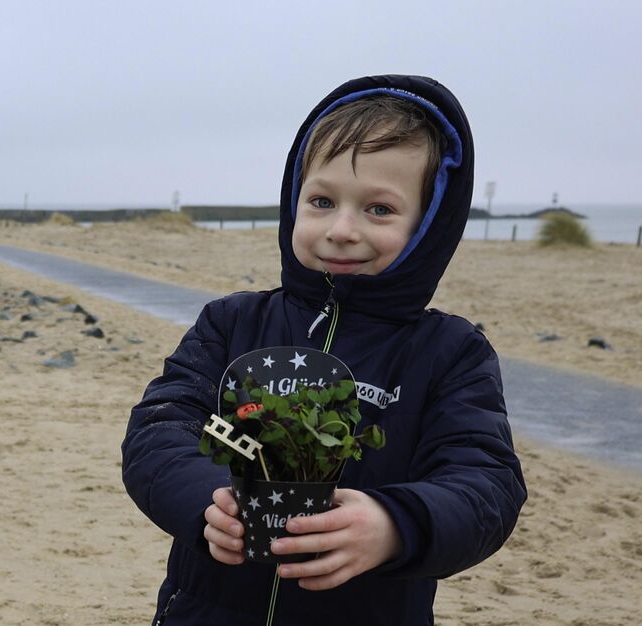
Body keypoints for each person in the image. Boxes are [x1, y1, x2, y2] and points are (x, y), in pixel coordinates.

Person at [121, 75, 527, 626]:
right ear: (294, 202)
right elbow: (159, 429)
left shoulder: (450, 352)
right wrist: (206, 500)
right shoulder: (231, 323)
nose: (341, 229)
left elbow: (487, 484)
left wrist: (395, 524)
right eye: (322, 201)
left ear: (428, 226)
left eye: (379, 209)